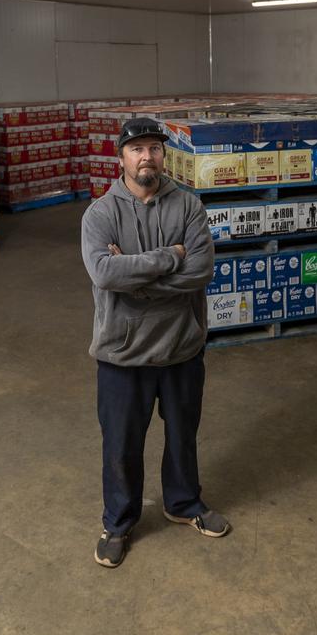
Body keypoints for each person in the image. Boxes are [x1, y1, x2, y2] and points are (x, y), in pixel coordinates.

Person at [80, 117, 230, 568]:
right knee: (121, 445)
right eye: (137, 149)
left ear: (165, 155)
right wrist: (170, 258)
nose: (147, 156)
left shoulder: (188, 206)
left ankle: (183, 503)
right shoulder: (100, 214)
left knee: (183, 434)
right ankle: (119, 522)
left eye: (154, 148)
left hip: (182, 345)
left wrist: (139, 279)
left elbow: (200, 270)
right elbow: (105, 273)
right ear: (121, 157)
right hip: (123, 353)